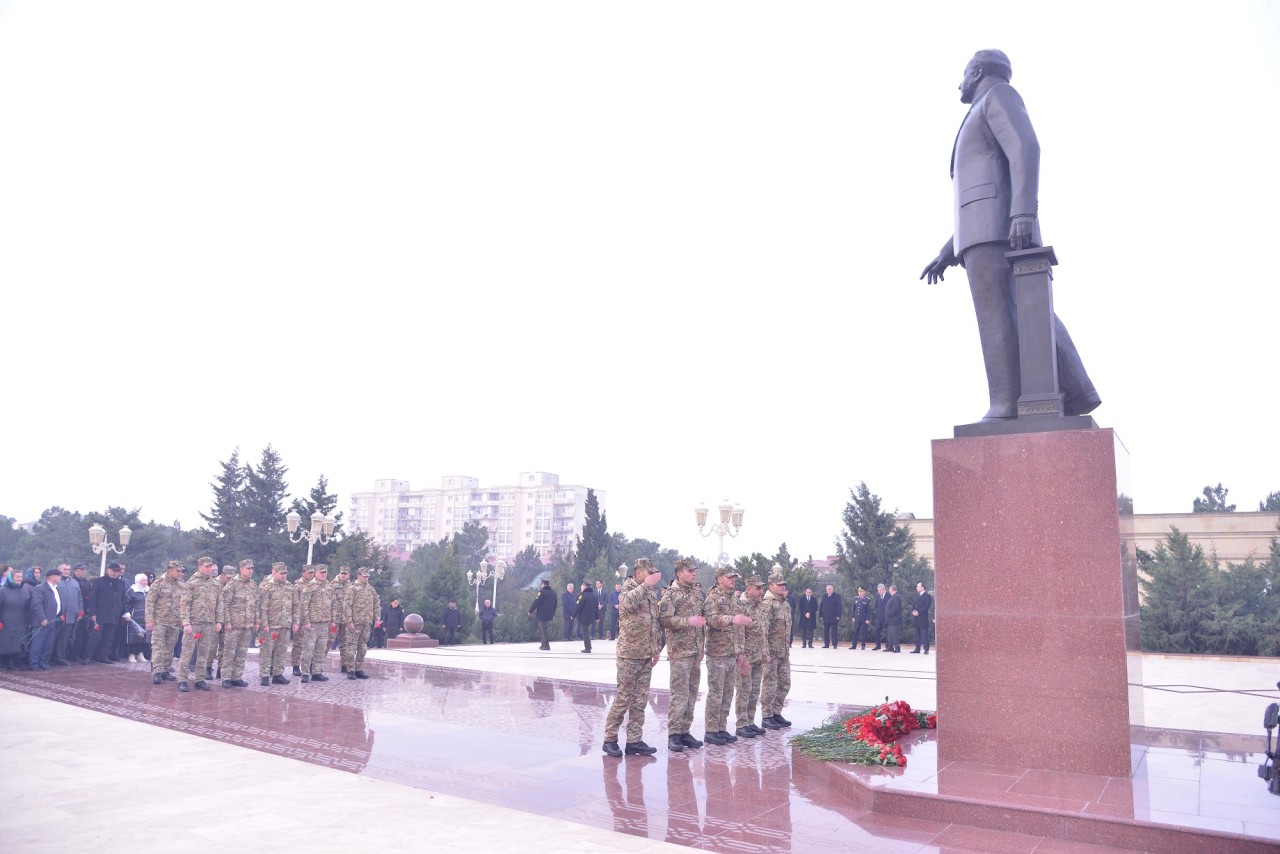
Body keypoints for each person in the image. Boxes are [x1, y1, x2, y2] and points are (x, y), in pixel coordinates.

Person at [919, 49, 1099, 422]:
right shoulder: (981, 107)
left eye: (964, 74)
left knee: (998, 316)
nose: (959, 82)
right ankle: (1078, 389)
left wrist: (1021, 213)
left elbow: (1025, 147)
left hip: (998, 230)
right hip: (982, 231)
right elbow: (982, 190)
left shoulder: (998, 96)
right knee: (1026, 311)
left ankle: (1004, 402)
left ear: (978, 71)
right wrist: (948, 250)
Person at [601, 558, 663, 758]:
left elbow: (653, 622)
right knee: (623, 697)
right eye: (648, 572)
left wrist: (655, 649)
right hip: (629, 654)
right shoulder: (629, 587)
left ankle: (634, 741)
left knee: (640, 699)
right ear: (638, 572)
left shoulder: (650, 593)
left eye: (653, 572)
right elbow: (626, 604)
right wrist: (646, 585)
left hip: (645, 654)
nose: (652, 575)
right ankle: (610, 739)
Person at [700, 566, 751, 746]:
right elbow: (711, 620)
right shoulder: (712, 598)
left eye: (734, 577)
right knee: (716, 693)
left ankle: (721, 728)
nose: (732, 580)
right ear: (719, 578)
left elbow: (740, 628)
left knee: (728, 693)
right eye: (729, 577)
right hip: (717, 653)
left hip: (731, 654)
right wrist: (731, 619)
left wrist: (741, 652)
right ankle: (711, 730)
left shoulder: (734, 600)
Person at [659, 558, 706, 751]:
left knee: (692, 694)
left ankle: (685, 731)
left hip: (695, 651)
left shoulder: (696, 594)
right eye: (689, 571)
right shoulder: (671, 594)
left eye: (694, 570)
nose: (693, 573)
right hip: (679, 651)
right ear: (679, 573)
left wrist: (701, 646)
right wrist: (688, 621)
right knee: (679, 694)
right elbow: (665, 620)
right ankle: (674, 734)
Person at [178, 557, 221, 692]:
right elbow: (184, 604)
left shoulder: (215, 584)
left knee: (204, 653)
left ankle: (199, 680)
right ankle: (182, 680)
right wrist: (186, 623)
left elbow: (219, 604)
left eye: (210, 567)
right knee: (188, 652)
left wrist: (219, 621)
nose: (209, 569)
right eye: (206, 567)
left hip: (208, 624)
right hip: (194, 624)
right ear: (200, 567)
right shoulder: (191, 583)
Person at [734, 576, 769, 739]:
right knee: (743, 690)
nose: (761, 592)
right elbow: (738, 633)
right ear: (748, 589)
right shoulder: (740, 606)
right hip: (746, 657)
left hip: (758, 656)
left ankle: (750, 721)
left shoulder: (760, 607)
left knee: (754, 690)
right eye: (758, 588)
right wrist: (741, 656)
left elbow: (763, 631)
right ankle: (741, 724)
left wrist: (765, 652)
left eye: (762, 589)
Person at [760, 570, 792, 729]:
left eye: (783, 585)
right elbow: (763, 630)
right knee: (769, 684)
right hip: (771, 653)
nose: (782, 587)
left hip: (783, 652)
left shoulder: (784, 603)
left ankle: (776, 712)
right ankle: (766, 715)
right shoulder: (768, 604)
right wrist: (765, 651)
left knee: (785, 683)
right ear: (771, 586)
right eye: (779, 585)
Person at [218, 559, 258, 688]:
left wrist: (256, 621)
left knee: (242, 652)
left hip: (247, 626)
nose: (250, 571)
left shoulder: (253, 585)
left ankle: (237, 676)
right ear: (241, 569)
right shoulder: (232, 584)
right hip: (233, 625)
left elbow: (255, 604)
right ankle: (226, 677)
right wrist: (227, 622)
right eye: (248, 568)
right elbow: (224, 605)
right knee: (229, 652)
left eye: (252, 568)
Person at [145, 561, 184, 687]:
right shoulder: (158, 583)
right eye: (178, 571)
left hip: (174, 622)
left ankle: (165, 670)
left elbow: (184, 604)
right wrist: (149, 620)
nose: (180, 573)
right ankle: (157, 671)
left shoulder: (181, 585)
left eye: (181, 571)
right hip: (159, 621)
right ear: (170, 570)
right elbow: (150, 603)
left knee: (170, 647)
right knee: (158, 646)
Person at [257, 562, 297, 686]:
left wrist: (296, 622)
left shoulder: (290, 587)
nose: (284, 575)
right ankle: (264, 674)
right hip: (270, 626)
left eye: (285, 573)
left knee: (281, 651)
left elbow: (295, 606)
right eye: (281, 573)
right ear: (274, 572)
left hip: (285, 625)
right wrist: (264, 624)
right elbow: (262, 607)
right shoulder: (266, 586)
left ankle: (277, 674)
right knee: (267, 651)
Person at [85, 562, 128, 664]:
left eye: (117, 571)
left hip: (114, 615)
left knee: (109, 638)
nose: (115, 573)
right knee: (96, 637)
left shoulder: (121, 583)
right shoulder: (98, 581)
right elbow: (92, 599)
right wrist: (93, 614)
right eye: (113, 571)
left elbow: (123, 599)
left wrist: (125, 612)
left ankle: (103, 656)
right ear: (108, 570)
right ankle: (87, 656)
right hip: (100, 614)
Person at [299, 564, 335, 683]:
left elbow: (333, 604)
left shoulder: (329, 586)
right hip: (312, 624)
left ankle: (317, 672)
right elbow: (304, 605)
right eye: (321, 572)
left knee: (321, 649)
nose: (323, 574)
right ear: (315, 573)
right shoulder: (310, 586)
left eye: (325, 572)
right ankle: (305, 672)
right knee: (308, 649)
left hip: (324, 623)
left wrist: (332, 620)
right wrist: (306, 621)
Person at [344, 567, 381, 678]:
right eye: (364, 576)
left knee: (363, 647)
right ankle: (350, 669)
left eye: (367, 577)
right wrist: (349, 621)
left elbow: (376, 604)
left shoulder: (371, 589)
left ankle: (358, 669)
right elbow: (347, 606)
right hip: (355, 623)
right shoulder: (352, 589)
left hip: (366, 623)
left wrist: (377, 618)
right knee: (351, 647)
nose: (366, 578)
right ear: (358, 576)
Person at [28, 567, 64, 670]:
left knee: (48, 644)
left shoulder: (56, 588)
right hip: (42, 622)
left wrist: (60, 614)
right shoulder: (40, 588)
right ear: (52, 577)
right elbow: (37, 605)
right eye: (58, 576)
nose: (60, 578)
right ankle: (34, 663)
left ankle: (43, 662)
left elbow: (58, 603)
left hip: (53, 621)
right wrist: (42, 618)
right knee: (38, 644)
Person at [0, 565, 32, 670]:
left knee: (16, 643)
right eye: (17, 577)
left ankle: (11, 662)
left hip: (20, 622)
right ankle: (2, 664)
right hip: (6, 622)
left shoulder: (24, 590)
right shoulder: (3, 591)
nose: (20, 579)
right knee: (4, 643)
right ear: (11, 577)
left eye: (21, 577)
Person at [290, 564, 315, 673]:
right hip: (300, 619)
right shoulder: (297, 586)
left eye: (313, 572)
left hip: (313, 618)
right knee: (298, 643)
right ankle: (296, 666)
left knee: (311, 644)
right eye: (309, 572)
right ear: (303, 573)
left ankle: (309, 665)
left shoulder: (315, 585)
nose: (312, 574)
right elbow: (295, 603)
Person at [66, 563, 92, 664]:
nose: (84, 571)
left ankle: (77, 654)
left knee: (81, 634)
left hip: (84, 612)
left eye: (85, 570)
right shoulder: (71, 581)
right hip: (73, 611)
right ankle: (69, 654)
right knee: (71, 635)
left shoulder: (86, 582)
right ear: (76, 571)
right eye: (82, 570)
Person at [123, 573, 150, 663]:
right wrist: (127, 612)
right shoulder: (132, 590)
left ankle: (140, 654)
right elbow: (125, 602)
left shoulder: (149, 590)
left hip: (146, 617)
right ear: (138, 581)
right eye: (143, 580)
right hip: (134, 617)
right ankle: (131, 654)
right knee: (133, 636)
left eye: (146, 580)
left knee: (143, 636)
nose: (145, 582)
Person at [528, 578, 556, 650]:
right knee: (544, 629)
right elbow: (555, 604)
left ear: (543, 584)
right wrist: (553, 613)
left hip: (542, 614)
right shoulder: (553, 593)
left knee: (544, 629)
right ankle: (543, 643)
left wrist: (530, 611)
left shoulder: (541, 592)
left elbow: (536, 602)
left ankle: (546, 645)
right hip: (550, 613)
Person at [911, 582, 934, 654]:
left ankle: (926, 649)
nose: (916, 588)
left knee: (924, 634)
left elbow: (927, 606)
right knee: (917, 634)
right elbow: (914, 605)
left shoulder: (927, 596)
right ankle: (917, 648)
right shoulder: (917, 595)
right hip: (916, 618)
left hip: (923, 618)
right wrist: (913, 611)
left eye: (918, 586)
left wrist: (919, 612)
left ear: (922, 587)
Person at [576, 582, 599, 654]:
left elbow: (577, 606)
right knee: (587, 631)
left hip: (584, 617)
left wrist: (573, 615)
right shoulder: (594, 595)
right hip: (591, 617)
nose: (581, 588)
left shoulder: (582, 595)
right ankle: (589, 646)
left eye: (582, 587)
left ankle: (587, 648)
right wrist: (597, 617)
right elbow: (596, 607)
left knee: (585, 632)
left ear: (585, 587)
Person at [818, 584, 842, 649]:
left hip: (834, 617)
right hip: (825, 616)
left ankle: (834, 644)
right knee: (826, 631)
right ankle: (826, 644)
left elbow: (839, 606)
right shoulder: (824, 596)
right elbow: (821, 605)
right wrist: (820, 615)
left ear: (832, 589)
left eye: (830, 589)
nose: (828, 590)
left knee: (834, 631)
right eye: (827, 589)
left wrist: (838, 615)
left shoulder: (837, 596)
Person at [885, 584, 903, 653]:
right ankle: (890, 647)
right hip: (890, 620)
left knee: (894, 634)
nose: (889, 591)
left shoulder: (896, 597)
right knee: (890, 634)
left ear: (892, 589)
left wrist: (888, 613)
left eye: (889, 589)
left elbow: (895, 609)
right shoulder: (893, 596)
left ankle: (897, 648)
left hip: (894, 620)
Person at [872, 583, 889, 651]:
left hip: (886, 617)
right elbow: (876, 605)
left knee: (887, 632)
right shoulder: (877, 596)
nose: (879, 592)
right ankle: (877, 645)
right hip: (879, 617)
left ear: (883, 589)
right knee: (877, 631)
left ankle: (888, 645)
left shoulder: (888, 595)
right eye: (878, 590)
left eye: (880, 590)